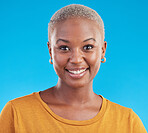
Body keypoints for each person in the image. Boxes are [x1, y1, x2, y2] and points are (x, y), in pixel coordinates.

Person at [0, 4, 147, 133]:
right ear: (51, 51)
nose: (76, 59)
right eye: (64, 48)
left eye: (88, 47)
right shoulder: (16, 113)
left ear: (102, 50)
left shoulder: (128, 122)